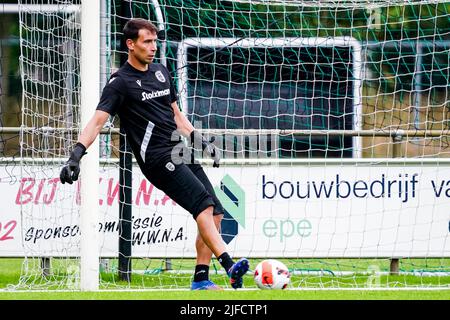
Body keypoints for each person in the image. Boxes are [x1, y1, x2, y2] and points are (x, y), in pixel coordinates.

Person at [59, 18, 249, 290]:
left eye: (154, 41)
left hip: (178, 149)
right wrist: (76, 155)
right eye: (146, 41)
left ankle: (200, 279)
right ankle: (229, 265)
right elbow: (97, 122)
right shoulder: (119, 83)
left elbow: (178, 118)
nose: (152, 47)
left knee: (216, 211)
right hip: (157, 158)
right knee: (203, 206)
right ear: (130, 44)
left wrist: (201, 141)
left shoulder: (161, 71)